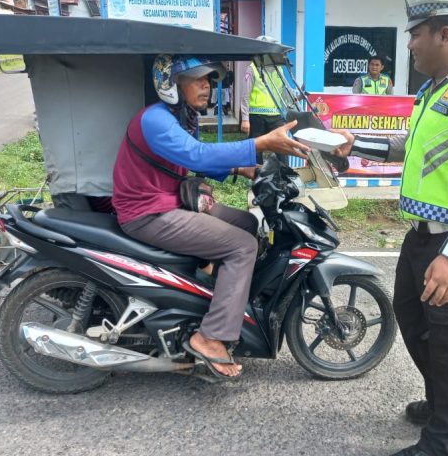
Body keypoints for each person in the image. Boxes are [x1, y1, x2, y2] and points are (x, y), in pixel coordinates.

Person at [333, 0, 448, 456]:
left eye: (415, 35)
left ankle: (444, 438)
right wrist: (354, 148)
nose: (409, 45)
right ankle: (444, 404)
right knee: (415, 325)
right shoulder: (436, 90)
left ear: (445, 34)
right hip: (421, 237)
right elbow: (408, 151)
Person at [111, 54, 310, 379]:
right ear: (171, 84)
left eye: (209, 80)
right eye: (197, 79)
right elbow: (195, 154)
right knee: (242, 246)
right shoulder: (156, 120)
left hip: (170, 201)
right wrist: (258, 142)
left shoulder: (180, 118)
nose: (207, 86)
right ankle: (211, 336)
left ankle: (213, 297)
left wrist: (242, 168)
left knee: (248, 223)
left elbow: (195, 160)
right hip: (150, 212)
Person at [240, 35, 287, 164]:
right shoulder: (252, 68)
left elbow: (283, 91)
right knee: (256, 150)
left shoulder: (279, 68)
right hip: (256, 116)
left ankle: (285, 178)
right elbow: (245, 95)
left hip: (276, 115)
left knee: (282, 147)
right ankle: (257, 177)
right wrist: (245, 119)